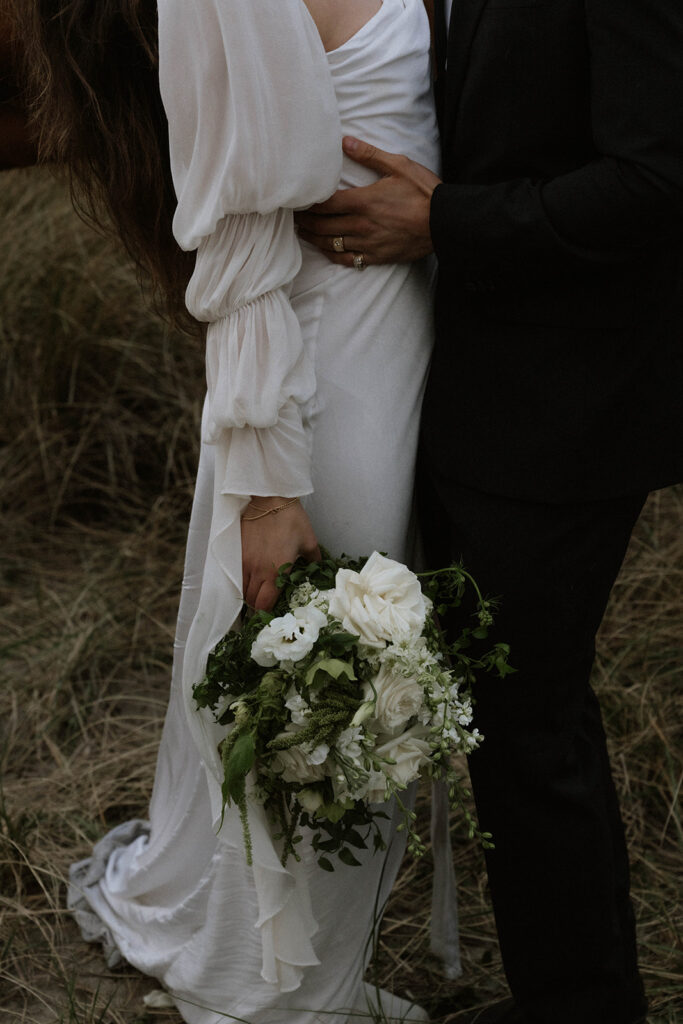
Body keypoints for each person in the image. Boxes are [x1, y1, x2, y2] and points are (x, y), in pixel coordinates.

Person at [15, 1, 459, 1022]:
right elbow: (237, 240)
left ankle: (308, 963)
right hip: (320, 371)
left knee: (362, 665)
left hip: (418, 332)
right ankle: (273, 991)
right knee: (325, 668)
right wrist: (267, 485)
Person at [295, 0, 683, 1021]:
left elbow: (653, 178)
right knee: (526, 716)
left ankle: (578, 1002)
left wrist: (442, 222)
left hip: (571, 401)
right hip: (475, 380)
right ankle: (581, 992)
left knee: (525, 723)